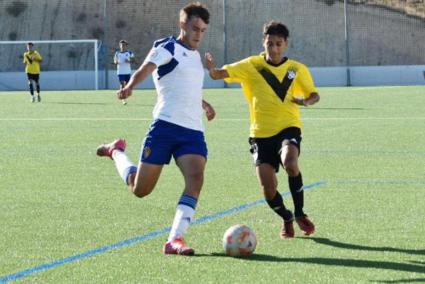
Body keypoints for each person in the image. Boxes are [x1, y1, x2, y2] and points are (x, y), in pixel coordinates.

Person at [97, 2, 215, 255]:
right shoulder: (167, 47)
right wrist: (130, 85)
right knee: (140, 190)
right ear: (182, 24)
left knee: (196, 178)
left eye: (203, 30)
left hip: (192, 131)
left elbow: (186, 87)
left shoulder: (195, 56)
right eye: (195, 28)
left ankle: (175, 239)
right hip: (165, 127)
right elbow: (145, 68)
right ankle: (116, 151)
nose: (198, 34)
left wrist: (203, 103)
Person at [205, 21, 320, 238]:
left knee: (290, 163)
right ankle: (286, 217)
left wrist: (306, 101)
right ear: (263, 42)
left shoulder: (297, 69)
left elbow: (314, 94)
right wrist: (211, 68)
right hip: (260, 134)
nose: (274, 49)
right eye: (270, 43)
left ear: (285, 44)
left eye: (278, 44)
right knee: (268, 188)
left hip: (288, 127)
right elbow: (219, 74)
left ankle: (300, 213)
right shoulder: (252, 65)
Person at [114, 40, 135, 105]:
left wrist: (129, 61)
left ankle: (122, 94)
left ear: (126, 46)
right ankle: (123, 99)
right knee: (122, 84)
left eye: (124, 45)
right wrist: (116, 62)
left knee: (127, 85)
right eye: (122, 45)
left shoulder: (130, 53)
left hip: (127, 71)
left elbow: (133, 60)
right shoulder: (117, 53)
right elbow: (115, 60)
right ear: (120, 46)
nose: (123, 46)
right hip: (120, 71)